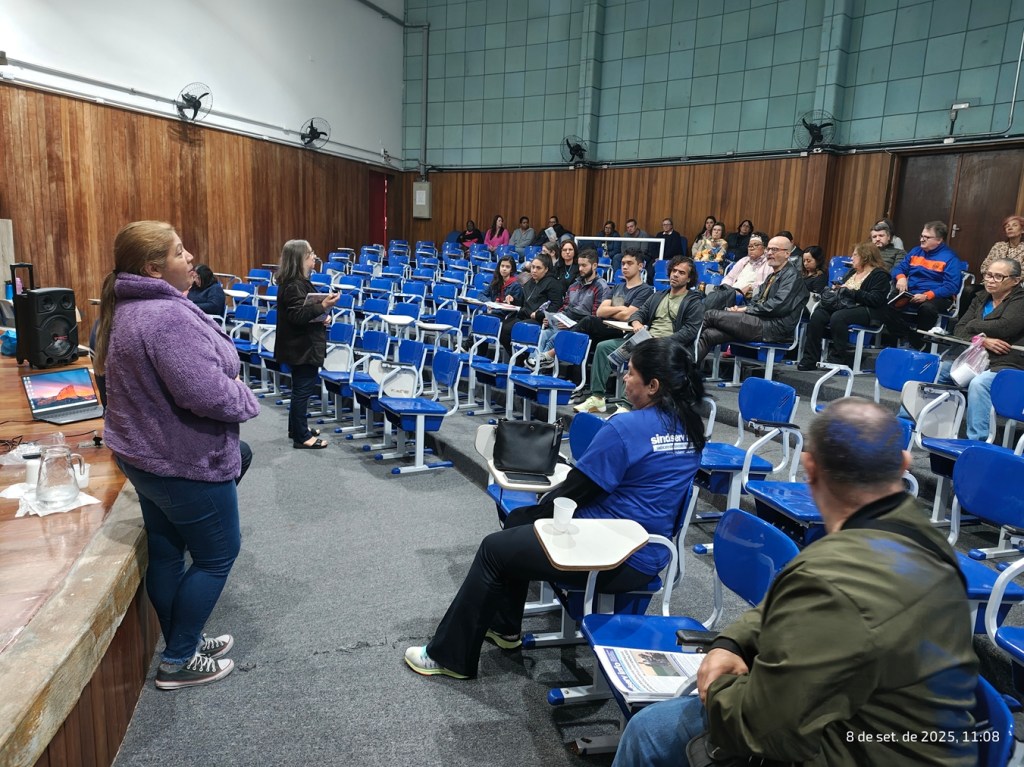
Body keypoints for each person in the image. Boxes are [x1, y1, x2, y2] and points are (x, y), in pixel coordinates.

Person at [612, 398, 978, 767]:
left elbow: (761, 727)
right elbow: (786, 609)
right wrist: (731, 643)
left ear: (809, 467)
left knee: (650, 732)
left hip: (860, 749)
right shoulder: (922, 539)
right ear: (903, 464)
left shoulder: (832, 577)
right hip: (911, 736)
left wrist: (717, 686)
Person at [404, 336, 706, 679]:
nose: (624, 378)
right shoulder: (691, 427)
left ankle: (449, 657)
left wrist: (542, 504)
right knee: (518, 522)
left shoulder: (627, 427)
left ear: (653, 386)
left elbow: (578, 490)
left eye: (631, 373)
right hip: (649, 549)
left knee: (494, 548)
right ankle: (505, 628)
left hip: (612, 554)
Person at [94, 220, 261, 690]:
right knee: (217, 556)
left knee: (167, 553)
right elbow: (207, 393)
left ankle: (181, 641)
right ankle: (180, 658)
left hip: (147, 455)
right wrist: (245, 396)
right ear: (153, 268)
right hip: (183, 459)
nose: (190, 258)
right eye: (179, 251)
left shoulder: (130, 309)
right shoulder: (165, 318)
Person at [575, 257, 704, 415]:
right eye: (674, 271)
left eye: (681, 273)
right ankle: (597, 398)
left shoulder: (693, 302)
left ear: (689, 279)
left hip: (670, 346)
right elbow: (639, 314)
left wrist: (660, 341)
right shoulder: (659, 296)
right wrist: (636, 323)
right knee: (604, 347)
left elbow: (689, 331)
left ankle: (626, 405)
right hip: (645, 340)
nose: (675, 274)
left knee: (641, 355)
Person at [935, 257, 1024, 440]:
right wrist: (981, 340)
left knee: (979, 383)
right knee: (939, 369)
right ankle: (930, 429)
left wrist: (973, 324)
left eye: (998, 276)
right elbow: (960, 329)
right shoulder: (981, 297)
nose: (990, 280)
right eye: (988, 275)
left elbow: (1006, 327)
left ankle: (979, 441)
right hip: (977, 359)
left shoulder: (1020, 300)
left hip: (1009, 362)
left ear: (1015, 280)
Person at [695, 235, 809, 363]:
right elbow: (756, 300)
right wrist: (740, 309)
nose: (769, 253)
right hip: (760, 320)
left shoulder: (792, 276)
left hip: (774, 327)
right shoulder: (772, 275)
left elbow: (778, 306)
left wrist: (745, 309)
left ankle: (678, 351)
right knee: (709, 334)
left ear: (787, 253)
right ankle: (685, 367)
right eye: (768, 249)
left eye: (775, 250)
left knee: (710, 315)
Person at [275, 239, 340, 449]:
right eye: (310, 253)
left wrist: (322, 316)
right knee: (302, 391)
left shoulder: (296, 282)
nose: (314, 256)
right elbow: (297, 316)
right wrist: (323, 306)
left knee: (300, 389)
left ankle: (296, 428)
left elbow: (303, 312)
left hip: (300, 345)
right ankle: (301, 437)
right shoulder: (294, 285)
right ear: (300, 258)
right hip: (301, 347)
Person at [799, 241, 892, 370]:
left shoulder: (880, 275)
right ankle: (810, 358)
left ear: (865, 257)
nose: (851, 258)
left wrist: (852, 292)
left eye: (855, 255)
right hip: (845, 306)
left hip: (867, 310)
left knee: (839, 317)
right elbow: (843, 291)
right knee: (818, 315)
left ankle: (838, 358)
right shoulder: (852, 272)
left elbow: (876, 299)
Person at [887, 220, 963, 349]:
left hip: (937, 296)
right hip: (911, 292)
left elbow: (951, 286)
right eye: (921, 236)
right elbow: (899, 269)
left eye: (927, 237)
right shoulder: (915, 251)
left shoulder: (950, 258)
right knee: (888, 304)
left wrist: (927, 296)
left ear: (939, 240)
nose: (922, 239)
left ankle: (920, 343)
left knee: (927, 309)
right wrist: (901, 278)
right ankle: (909, 335)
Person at [531, 249, 609, 369]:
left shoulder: (601, 286)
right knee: (544, 333)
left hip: (582, 329)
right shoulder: (574, 285)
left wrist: (572, 324)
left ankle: (537, 366)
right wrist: (553, 319)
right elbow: (565, 307)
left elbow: (596, 317)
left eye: (584, 265)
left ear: (594, 266)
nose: (580, 269)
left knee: (554, 338)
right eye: (579, 265)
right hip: (565, 324)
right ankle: (535, 364)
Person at [571, 249, 655, 353]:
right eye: (623, 263)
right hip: (607, 327)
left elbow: (628, 316)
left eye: (629, 263)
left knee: (588, 322)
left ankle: (556, 352)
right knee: (585, 339)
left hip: (624, 332)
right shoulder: (617, 287)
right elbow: (600, 312)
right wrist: (622, 308)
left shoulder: (645, 290)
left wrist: (611, 311)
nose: (625, 267)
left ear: (640, 266)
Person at [499, 251, 564, 353]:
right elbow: (523, 301)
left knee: (519, 328)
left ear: (546, 269)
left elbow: (556, 306)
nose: (534, 270)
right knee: (503, 328)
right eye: (533, 267)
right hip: (523, 315)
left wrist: (539, 315)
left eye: (538, 268)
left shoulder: (553, 284)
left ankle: (522, 357)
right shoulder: (530, 282)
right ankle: (517, 357)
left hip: (538, 320)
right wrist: (513, 299)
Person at [702, 231, 773, 312]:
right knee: (710, 298)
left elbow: (766, 283)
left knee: (712, 304)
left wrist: (750, 287)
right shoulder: (744, 261)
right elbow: (729, 277)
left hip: (747, 298)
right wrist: (727, 287)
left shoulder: (768, 264)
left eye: (756, 245)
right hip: (731, 293)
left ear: (764, 248)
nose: (751, 248)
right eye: (749, 246)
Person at [651, 217, 686, 284]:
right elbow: (654, 248)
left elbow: (673, 250)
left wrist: (661, 258)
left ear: (671, 226)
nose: (665, 226)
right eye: (664, 224)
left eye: (667, 224)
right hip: (657, 258)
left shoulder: (676, 235)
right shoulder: (659, 234)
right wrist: (656, 257)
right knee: (650, 269)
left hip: (670, 258)